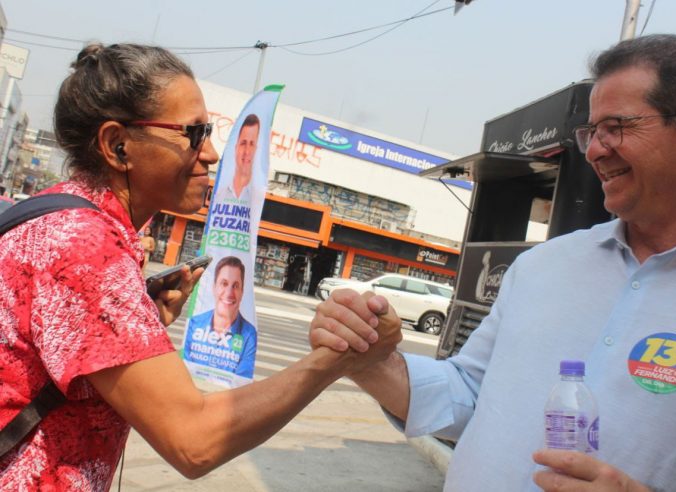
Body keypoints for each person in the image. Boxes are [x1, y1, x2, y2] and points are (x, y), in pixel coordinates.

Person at [311, 34, 676, 491]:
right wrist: (371, 362)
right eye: (592, 131)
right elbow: (468, 395)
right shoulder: (544, 266)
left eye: (617, 127)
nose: (595, 150)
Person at [0, 43, 400, 491]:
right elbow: (193, 441)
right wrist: (335, 360)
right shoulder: (84, 247)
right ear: (118, 145)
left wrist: (138, 319)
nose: (210, 154)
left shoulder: (62, 218)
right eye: (193, 134)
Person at [184, 256, 257, 378]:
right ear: (214, 288)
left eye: (235, 286)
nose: (229, 293)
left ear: (242, 292)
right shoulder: (194, 323)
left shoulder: (249, 335)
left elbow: (241, 382)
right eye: (224, 284)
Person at [217, 113, 259, 203]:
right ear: (236, 147)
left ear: (256, 149)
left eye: (252, 144)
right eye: (243, 143)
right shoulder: (219, 192)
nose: (247, 151)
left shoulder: (257, 198)